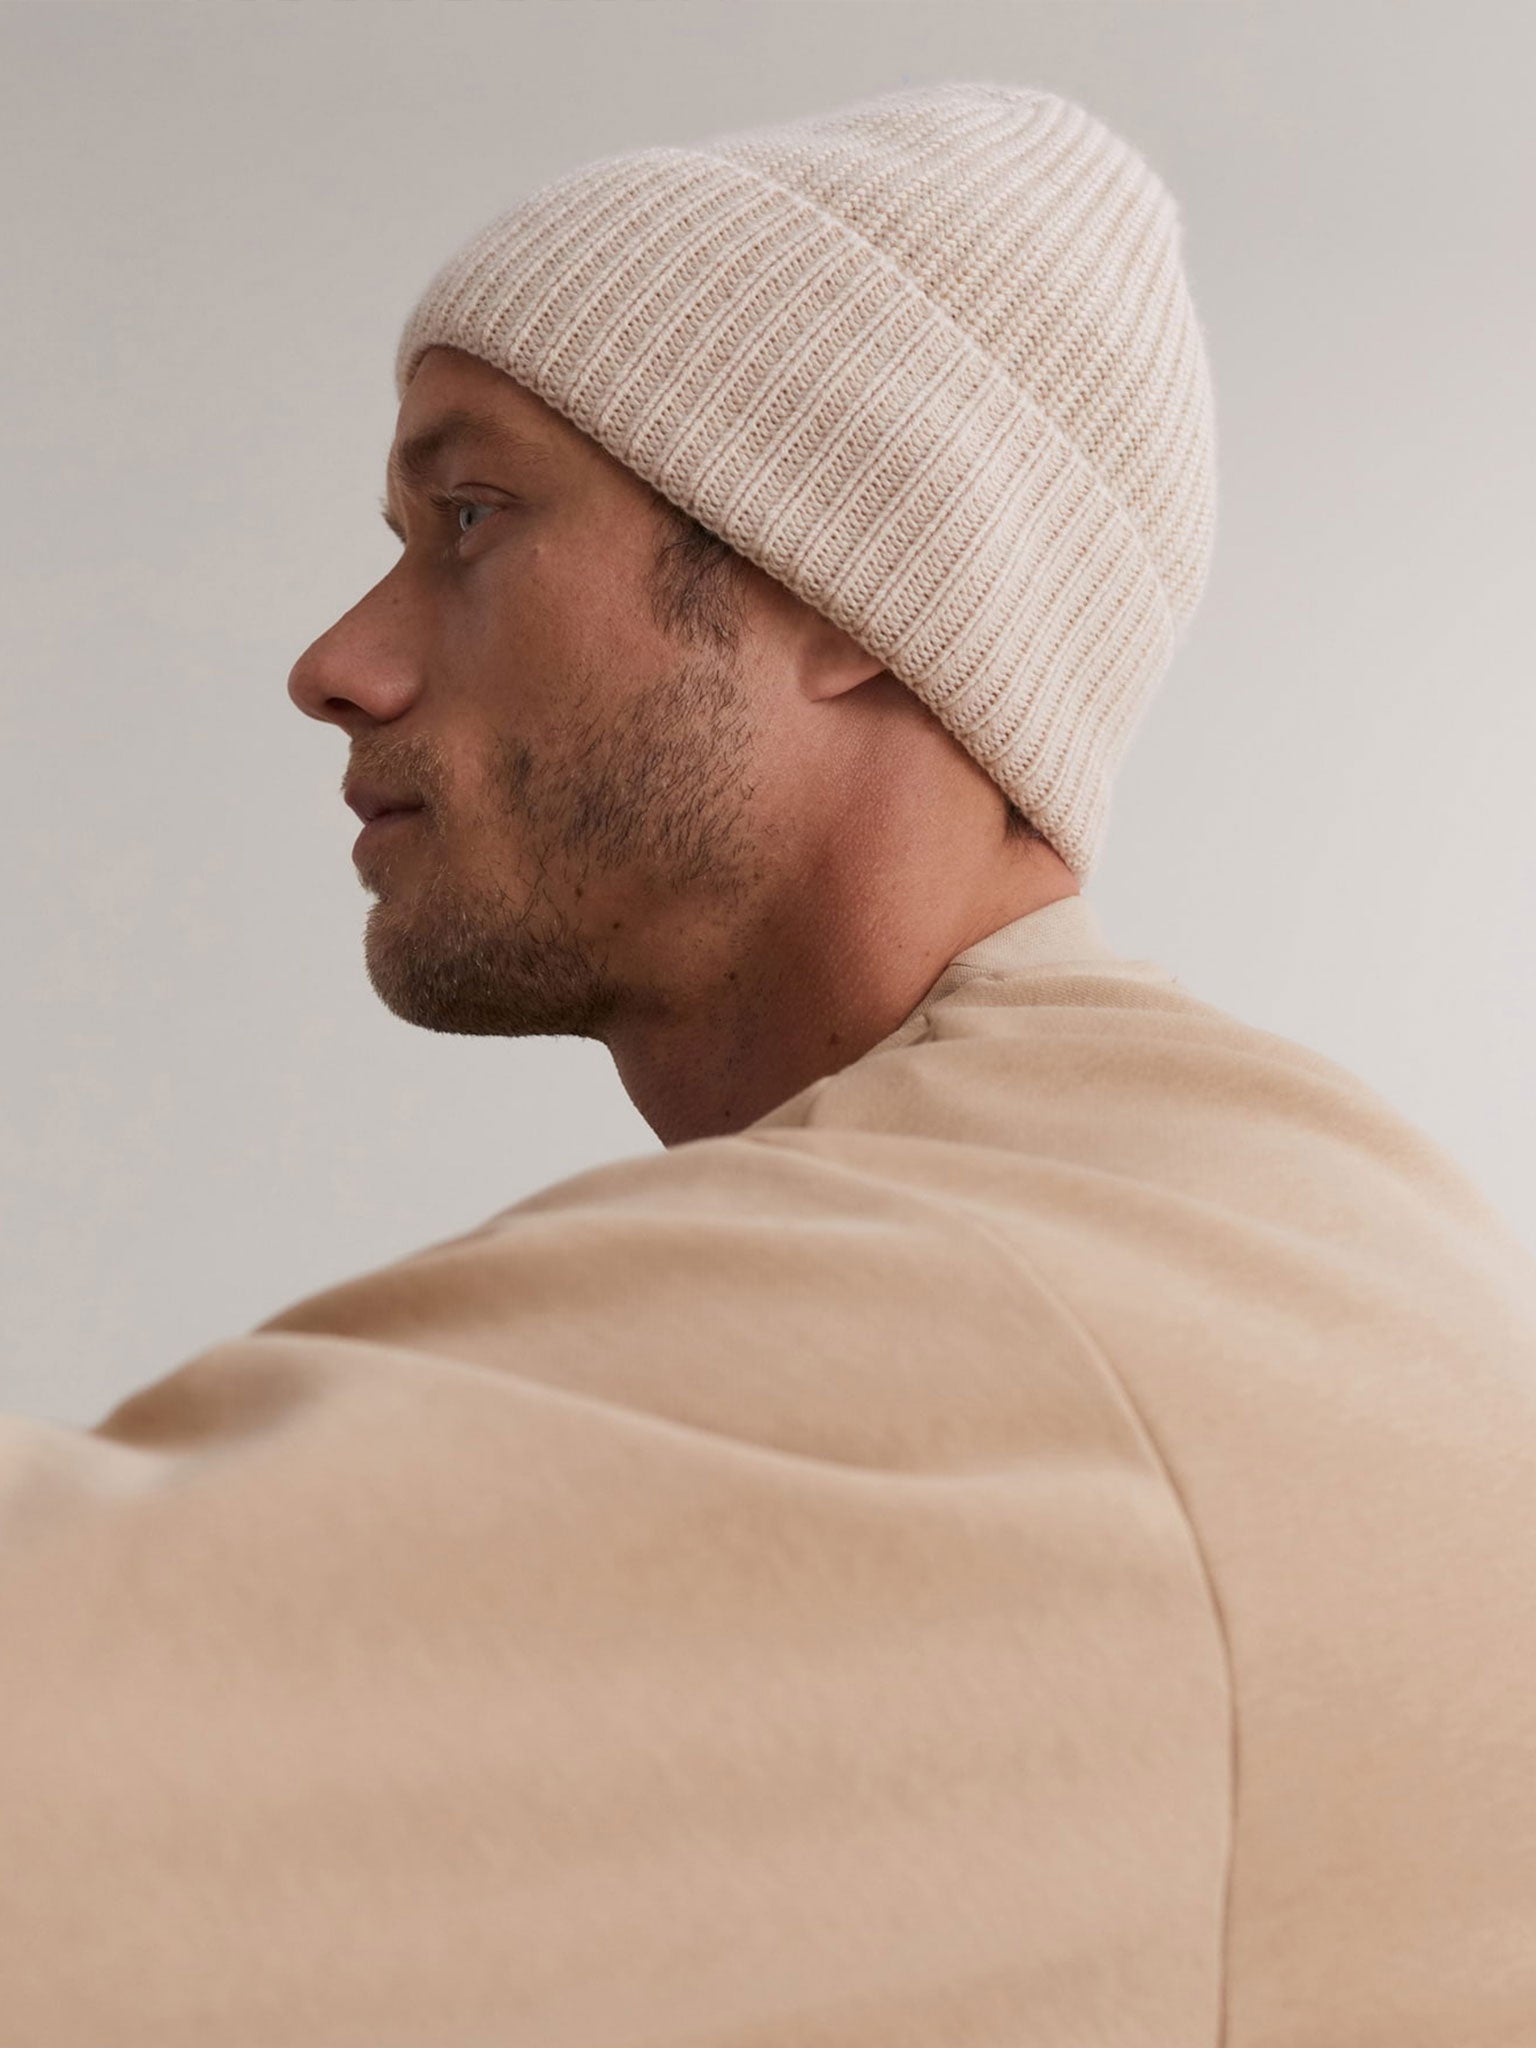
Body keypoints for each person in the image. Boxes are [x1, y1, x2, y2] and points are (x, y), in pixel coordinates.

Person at [3, 79, 1534, 2047]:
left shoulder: (1012, 1307)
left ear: (851, 579)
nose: (340, 662)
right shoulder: (1275, 1223)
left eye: (469, 517)